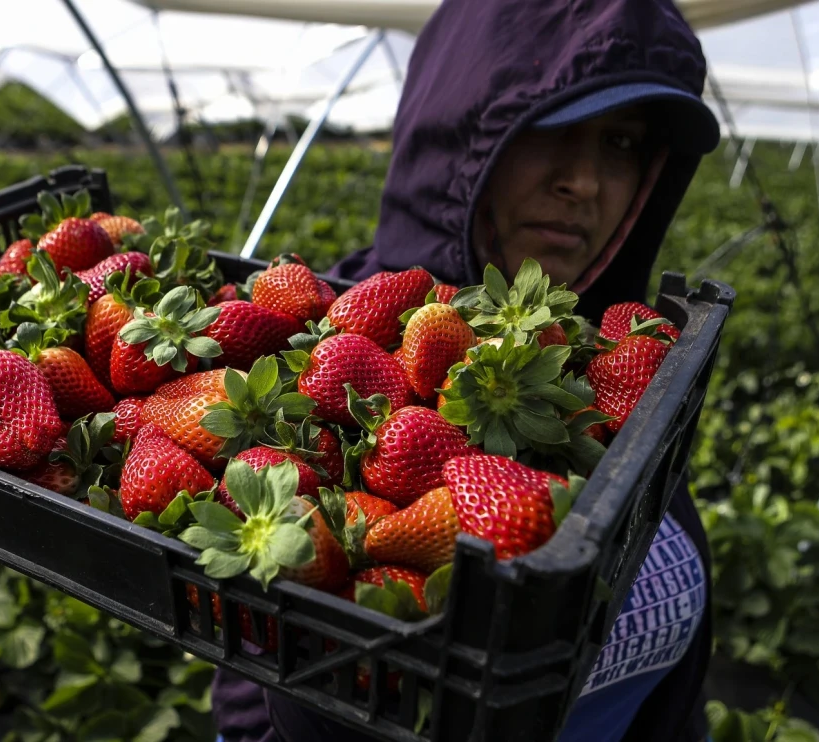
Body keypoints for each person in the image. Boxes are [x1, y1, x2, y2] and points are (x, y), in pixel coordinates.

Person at [212, 0, 721, 739]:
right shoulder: (325, 363)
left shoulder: (622, 366)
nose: (584, 180)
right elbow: (257, 703)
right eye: (552, 128)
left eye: (621, 142)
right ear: (462, 133)